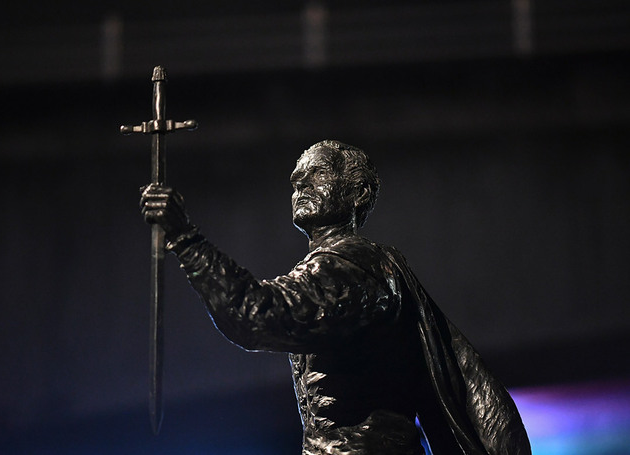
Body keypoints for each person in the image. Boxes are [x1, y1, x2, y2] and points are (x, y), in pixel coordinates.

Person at [140, 140, 531, 455]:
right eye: (296, 179)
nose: (300, 184)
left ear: (357, 192)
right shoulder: (340, 265)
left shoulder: (355, 268)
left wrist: (186, 239)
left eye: (317, 174)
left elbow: (257, 315)